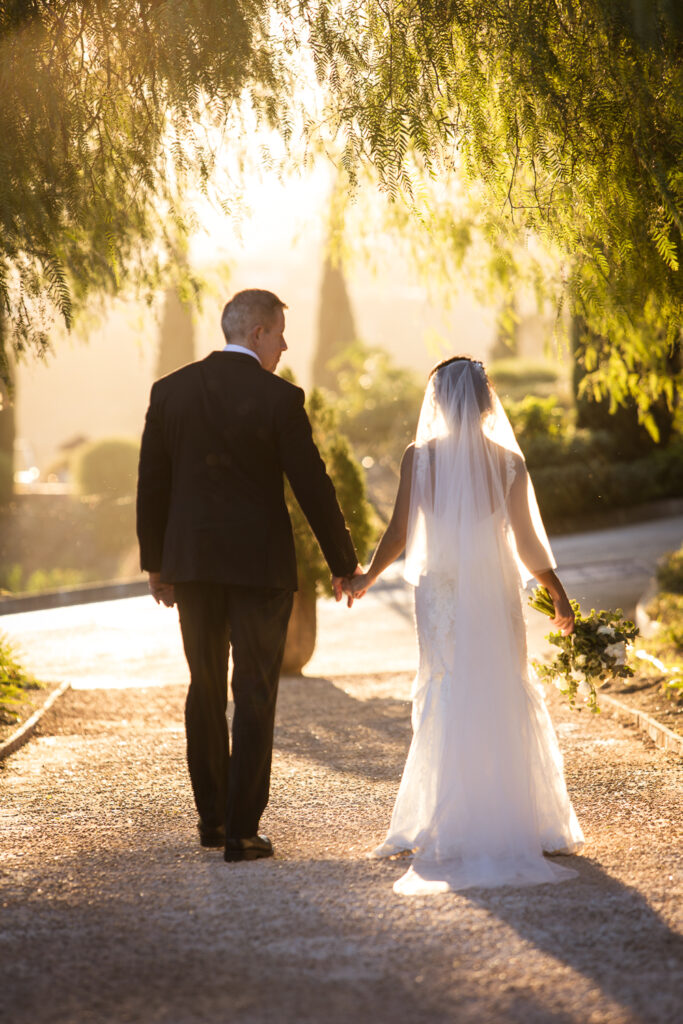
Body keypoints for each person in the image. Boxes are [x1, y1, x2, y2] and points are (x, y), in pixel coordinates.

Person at [346, 356, 584, 894]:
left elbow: (399, 531)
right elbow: (527, 544)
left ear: (439, 403)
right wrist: (559, 596)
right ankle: (518, 818)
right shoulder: (507, 463)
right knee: (501, 685)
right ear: (485, 401)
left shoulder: (421, 458)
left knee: (447, 689)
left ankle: (446, 819)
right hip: (493, 588)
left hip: (442, 594)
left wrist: (364, 579)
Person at [136, 288, 359, 862]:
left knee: (204, 687)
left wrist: (157, 564)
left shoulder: (171, 392)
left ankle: (211, 822)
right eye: (280, 333)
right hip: (259, 568)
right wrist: (344, 564)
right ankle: (241, 831)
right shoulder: (279, 398)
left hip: (193, 567)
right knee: (254, 691)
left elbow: (152, 484)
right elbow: (312, 483)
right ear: (257, 333)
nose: (285, 345)